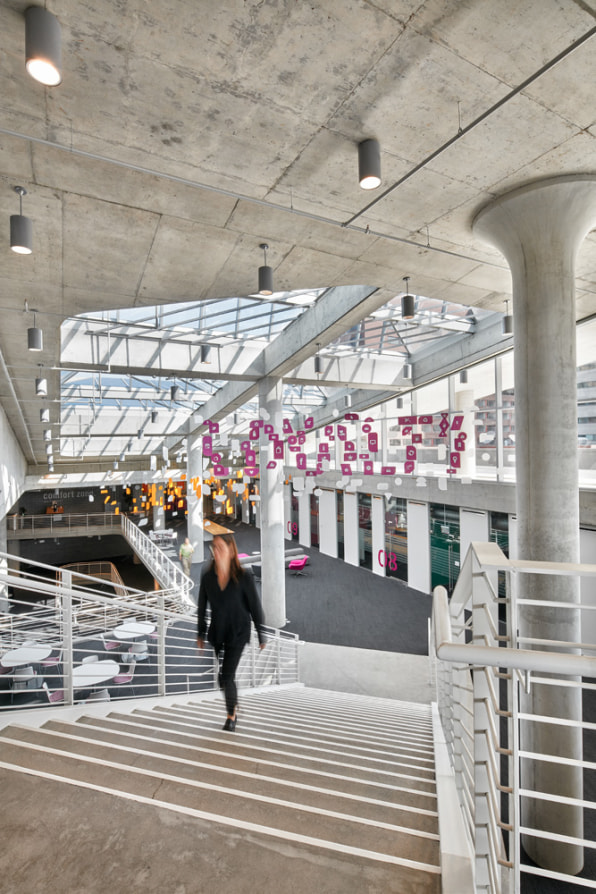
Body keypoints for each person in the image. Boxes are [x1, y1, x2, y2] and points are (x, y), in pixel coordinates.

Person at [197, 533, 266, 731]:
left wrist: (261, 633)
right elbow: (202, 606)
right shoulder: (208, 576)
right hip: (218, 633)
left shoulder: (244, 576)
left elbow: (255, 606)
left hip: (238, 632)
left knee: (226, 676)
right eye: (214, 548)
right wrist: (200, 634)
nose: (216, 552)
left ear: (231, 550)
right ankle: (232, 699)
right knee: (223, 678)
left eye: (220, 548)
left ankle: (231, 716)